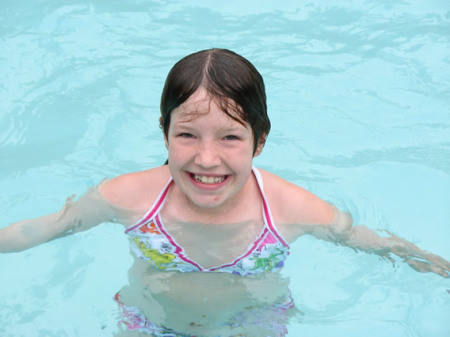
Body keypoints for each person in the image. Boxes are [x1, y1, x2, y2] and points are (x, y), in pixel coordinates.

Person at [0, 48, 448, 337]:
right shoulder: (127, 198)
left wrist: (437, 267)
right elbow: (41, 230)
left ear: (261, 140)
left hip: (252, 324)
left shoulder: (292, 209)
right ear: (164, 133)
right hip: (149, 320)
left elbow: (371, 243)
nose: (207, 159)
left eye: (230, 138)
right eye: (188, 135)